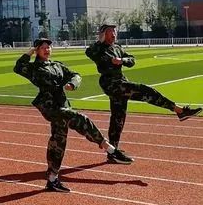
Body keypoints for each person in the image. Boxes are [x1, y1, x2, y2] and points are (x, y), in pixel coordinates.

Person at [86, 24, 202, 164]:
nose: (114, 34)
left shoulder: (117, 48)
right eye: (110, 32)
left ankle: (113, 151)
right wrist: (102, 47)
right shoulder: (98, 48)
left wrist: (122, 60)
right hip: (110, 84)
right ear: (104, 34)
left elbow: (132, 60)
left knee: (118, 116)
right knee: (146, 91)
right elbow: (89, 52)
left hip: (120, 81)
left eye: (114, 32)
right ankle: (179, 110)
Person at [15, 38, 118, 193]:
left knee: (58, 142)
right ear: (37, 50)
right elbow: (18, 67)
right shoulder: (33, 68)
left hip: (62, 104)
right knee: (80, 119)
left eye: (48, 47)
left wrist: (72, 84)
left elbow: (76, 74)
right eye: (42, 48)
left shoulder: (57, 65)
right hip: (49, 106)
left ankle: (52, 180)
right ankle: (109, 148)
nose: (46, 50)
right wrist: (29, 52)